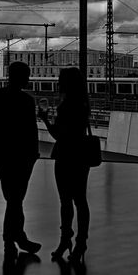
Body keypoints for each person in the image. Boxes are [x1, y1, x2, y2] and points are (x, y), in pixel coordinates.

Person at [0, 60, 40, 259]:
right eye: (27, 76)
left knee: (13, 198)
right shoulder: (27, 101)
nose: (28, 79)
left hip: (2, 154)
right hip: (22, 155)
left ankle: (13, 238)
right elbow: (30, 129)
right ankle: (15, 237)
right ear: (21, 77)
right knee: (16, 199)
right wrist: (34, 153)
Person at [38, 67, 91, 262]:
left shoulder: (66, 106)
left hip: (65, 156)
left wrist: (44, 119)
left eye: (60, 79)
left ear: (66, 83)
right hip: (81, 157)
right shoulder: (84, 103)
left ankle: (65, 239)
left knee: (66, 201)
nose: (58, 82)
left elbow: (58, 135)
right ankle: (81, 243)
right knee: (81, 201)